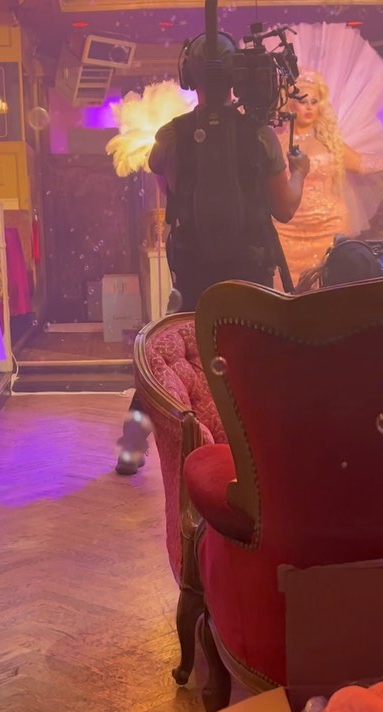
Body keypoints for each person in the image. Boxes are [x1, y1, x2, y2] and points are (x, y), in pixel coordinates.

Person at [114, 32, 310, 477]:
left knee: (167, 354)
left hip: (193, 271)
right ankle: (266, 451)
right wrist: (299, 172)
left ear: (189, 75)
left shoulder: (171, 136)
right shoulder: (260, 136)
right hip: (249, 271)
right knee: (255, 360)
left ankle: (131, 448)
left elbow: (171, 195)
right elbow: (284, 207)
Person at [276, 71, 383, 289]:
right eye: (303, 101)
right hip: (288, 228)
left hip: (328, 226)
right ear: (291, 104)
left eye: (314, 102)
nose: (309, 107)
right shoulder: (277, 142)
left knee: (329, 288)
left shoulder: (329, 142)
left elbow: (362, 164)